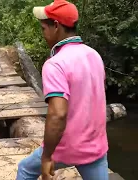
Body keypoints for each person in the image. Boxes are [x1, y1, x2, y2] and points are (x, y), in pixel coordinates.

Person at [16, 0, 109, 180]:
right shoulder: (94, 55)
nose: (43, 34)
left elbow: (58, 114)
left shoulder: (55, 64)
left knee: (25, 169)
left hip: (67, 147)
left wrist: (47, 156)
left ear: (56, 26)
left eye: (43, 28)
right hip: (96, 146)